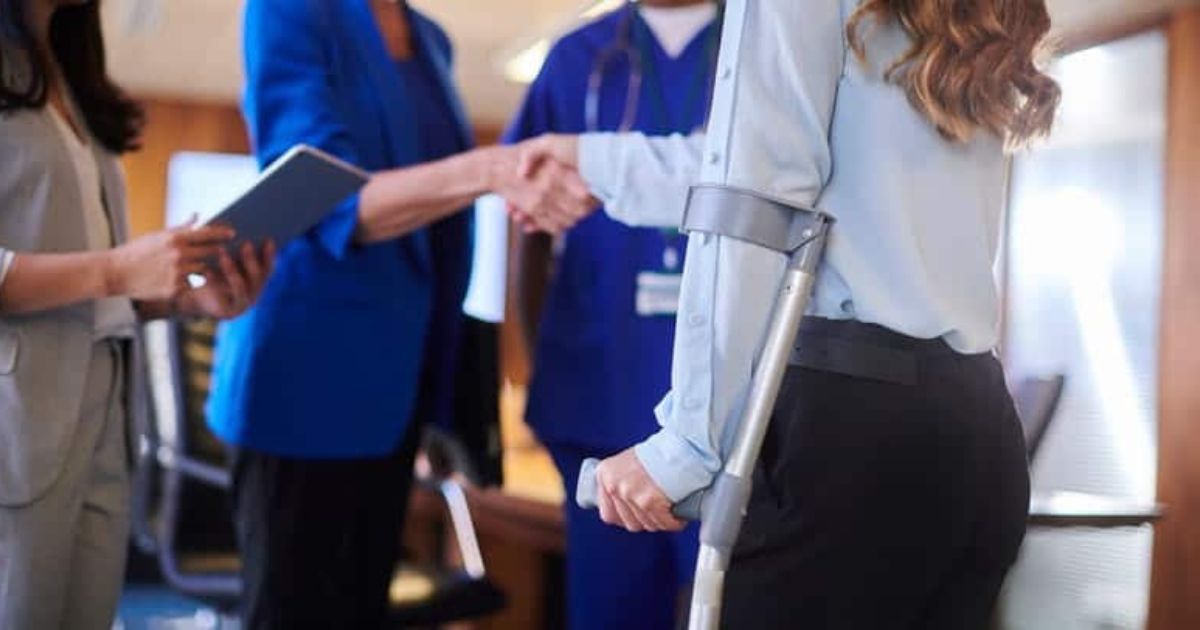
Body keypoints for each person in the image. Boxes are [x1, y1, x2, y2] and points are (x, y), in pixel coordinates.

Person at [517, 0, 1061, 626]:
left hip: (847, 437)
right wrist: (592, 162)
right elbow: (821, 171)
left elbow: (751, 206)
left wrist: (687, 446)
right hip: (972, 428)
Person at [206, 1, 594, 628]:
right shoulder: (288, 11)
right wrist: (492, 167)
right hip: (306, 382)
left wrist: (442, 400)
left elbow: (438, 240)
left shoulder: (430, 39)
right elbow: (327, 202)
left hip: (397, 393)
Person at [0, 0, 274, 628]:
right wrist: (120, 269)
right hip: (18, 420)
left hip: (106, 419)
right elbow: (98, 269)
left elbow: (91, 285)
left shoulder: (67, 72)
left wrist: (177, 297)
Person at [503, 1, 719, 628]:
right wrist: (531, 360)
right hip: (597, 388)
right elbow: (528, 226)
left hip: (732, 412)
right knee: (609, 611)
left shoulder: (765, 49)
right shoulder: (577, 58)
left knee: (725, 607)